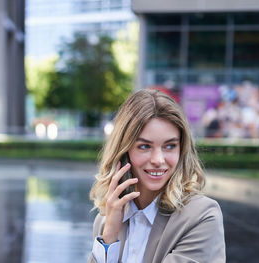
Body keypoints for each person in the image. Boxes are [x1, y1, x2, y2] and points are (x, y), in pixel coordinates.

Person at [88, 89, 226, 263]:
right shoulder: (106, 221)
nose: (158, 160)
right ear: (124, 151)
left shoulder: (201, 217)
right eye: (144, 146)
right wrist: (109, 237)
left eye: (169, 146)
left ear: (181, 149)